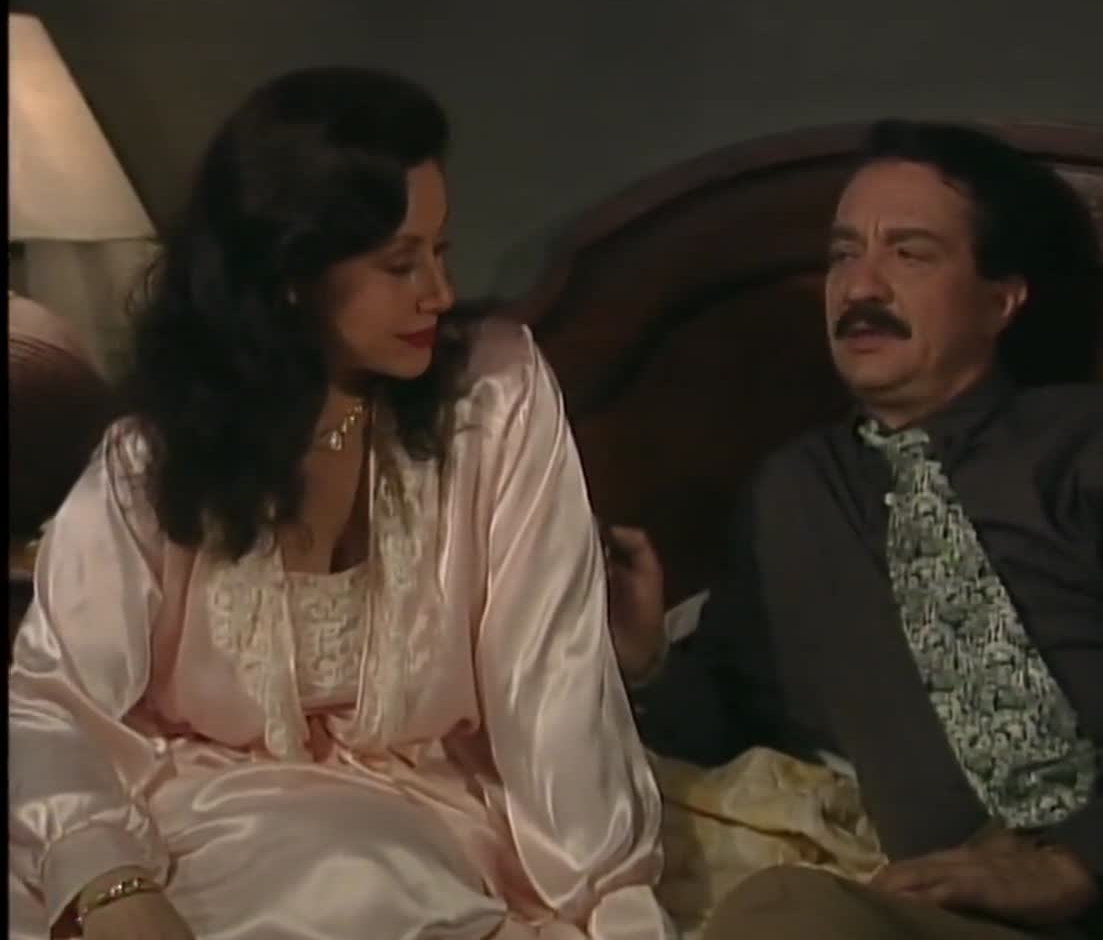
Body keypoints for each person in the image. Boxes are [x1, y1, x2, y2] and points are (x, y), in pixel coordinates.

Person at [9, 67, 674, 940]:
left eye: (441, 251)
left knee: (355, 878)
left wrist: (612, 903)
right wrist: (112, 886)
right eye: (400, 264)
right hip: (189, 818)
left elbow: (551, 684)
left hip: (411, 836)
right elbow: (49, 700)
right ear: (292, 273)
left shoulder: (496, 397)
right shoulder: (156, 455)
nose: (439, 292)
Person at [605, 120, 1103, 939]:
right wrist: (649, 661)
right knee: (785, 915)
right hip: (976, 913)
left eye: (910, 254)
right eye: (843, 254)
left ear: (1001, 299)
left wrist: (1084, 858)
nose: (860, 286)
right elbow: (731, 724)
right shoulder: (793, 496)